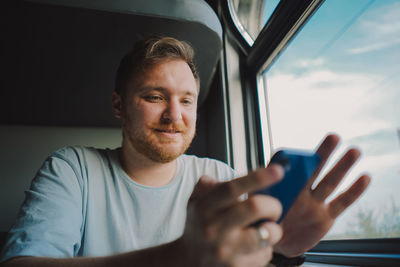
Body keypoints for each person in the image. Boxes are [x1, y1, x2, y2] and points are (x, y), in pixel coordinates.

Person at [0, 36, 370, 267]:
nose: (173, 116)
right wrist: (178, 257)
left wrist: (281, 252)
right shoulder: (72, 168)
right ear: (119, 105)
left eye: (187, 100)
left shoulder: (220, 176)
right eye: (154, 96)